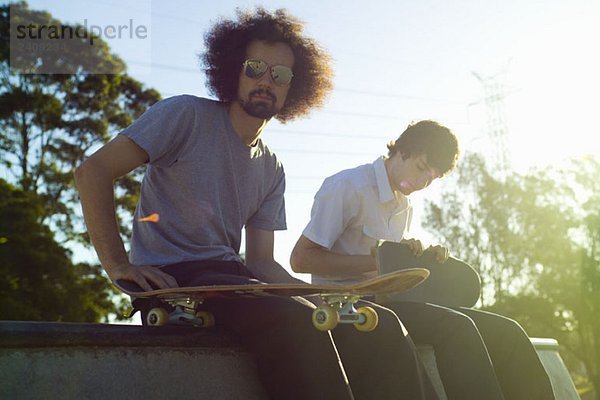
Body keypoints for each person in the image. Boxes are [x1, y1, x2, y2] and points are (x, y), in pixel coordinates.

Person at [75, 8, 440, 400]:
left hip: (232, 279)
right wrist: (119, 266)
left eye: (280, 75)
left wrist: (319, 297)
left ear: (294, 89)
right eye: (254, 68)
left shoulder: (271, 166)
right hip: (175, 279)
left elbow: (262, 262)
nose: (266, 81)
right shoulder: (184, 115)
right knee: (299, 323)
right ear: (233, 69)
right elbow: (92, 172)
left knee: (376, 323)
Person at [291, 120, 556, 400]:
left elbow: (394, 270)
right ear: (402, 150)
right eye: (420, 168)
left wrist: (426, 260)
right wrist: (381, 261)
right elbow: (301, 259)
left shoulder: (405, 204)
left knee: (508, 331)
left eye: (430, 178)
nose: (421, 183)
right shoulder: (348, 186)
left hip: (395, 302)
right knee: (457, 327)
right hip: (350, 308)